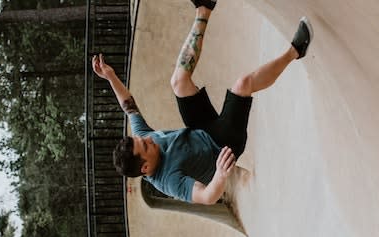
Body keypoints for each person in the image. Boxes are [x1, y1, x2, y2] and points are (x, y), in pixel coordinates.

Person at [92, 0, 313, 205]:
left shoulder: (144, 139)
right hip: (224, 146)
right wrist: (220, 175)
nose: (150, 139)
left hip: (200, 130)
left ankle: (204, 8)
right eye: (147, 145)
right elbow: (207, 197)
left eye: (144, 138)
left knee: (178, 82)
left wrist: (110, 76)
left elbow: (128, 105)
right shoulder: (169, 181)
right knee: (243, 84)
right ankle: (295, 51)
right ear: (146, 167)